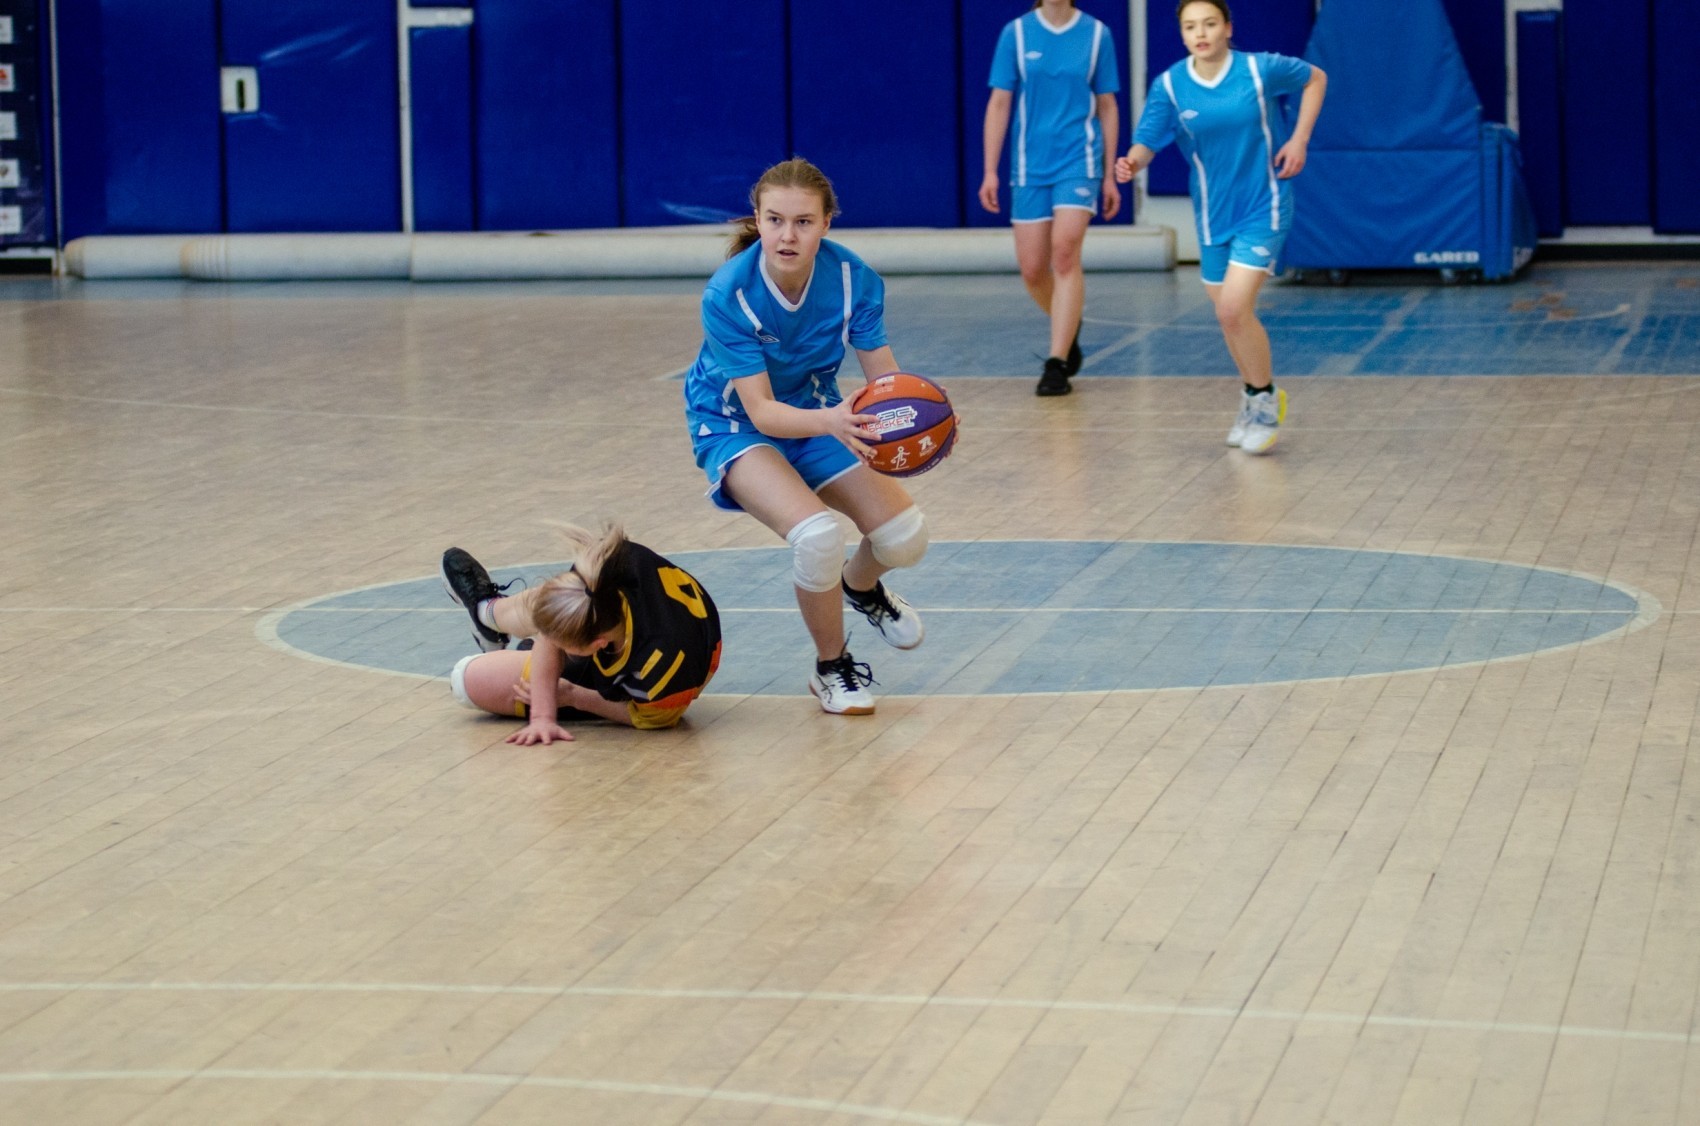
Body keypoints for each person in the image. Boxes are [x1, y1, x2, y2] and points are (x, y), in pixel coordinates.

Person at [682, 157, 931, 717]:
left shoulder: (852, 279)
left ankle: (860, 587)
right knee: (818, 537)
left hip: (818, 411)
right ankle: (831, 667)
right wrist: (835, 422)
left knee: (905, 538)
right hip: (734, 425)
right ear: (757, 220)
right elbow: (763, 411)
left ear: (826, 224)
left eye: (803, 222)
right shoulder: (728, 294)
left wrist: (918, 420)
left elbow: (885, 383)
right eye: (775, 220)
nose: (787, 235)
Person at [1116, 0, 1326, 454]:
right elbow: (1147, 140)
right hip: (1213, 215)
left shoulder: (1259, 69)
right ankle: (1253, 395)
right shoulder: (1170, 85)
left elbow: (1316, 78)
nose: (1201, 33)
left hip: (1264, 205)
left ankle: (1264, 401)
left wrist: (1299, 139)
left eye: (1209, 23)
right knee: (1231, 319)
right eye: (1191, 26)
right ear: (1182, 34)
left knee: (1232, 308)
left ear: (1227, 28)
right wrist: (1131, 162)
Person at [440, 528, 721, 745]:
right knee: (555, 602)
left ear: (597, 645)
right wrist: (542, 716)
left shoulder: (660, 668)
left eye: (558, 644)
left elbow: (650, 718)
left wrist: (573, 696)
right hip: (621, 626)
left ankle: (521, 646)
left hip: (665, 679)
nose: (547, 640)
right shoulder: (597, 573)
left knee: (466, 680)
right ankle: (487, 612)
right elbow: (555, 624)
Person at [980, 0, 1122, 397]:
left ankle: (1056, 362)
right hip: (1030, 165)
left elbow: (1108, 106)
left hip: (1080, 159)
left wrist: (1110, 175)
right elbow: (999, 103)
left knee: (1064, 252)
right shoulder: (1016, 33)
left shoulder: (1097, 34)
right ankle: (1068, 322)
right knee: (1032, 269)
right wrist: (990, 170)